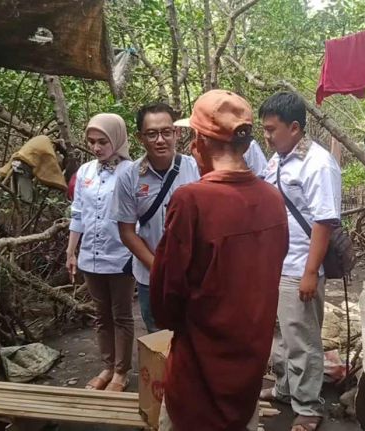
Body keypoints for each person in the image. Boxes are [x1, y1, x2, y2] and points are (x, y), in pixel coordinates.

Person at [150, 89, 289, 431]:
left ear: (199, 142)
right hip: (248, 369)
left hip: (198, 373)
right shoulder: (272, 200)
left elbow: (166, 299)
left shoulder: (191, 201)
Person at [259, 92, 342, 431]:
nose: (266, 136)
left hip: (300, 266)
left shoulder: (318, 163)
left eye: (271, 129)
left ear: (294, 127)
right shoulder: (279, 158)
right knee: (278, 333)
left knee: (302, 339)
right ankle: (284, 388)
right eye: (264, 129)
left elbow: (324, 221)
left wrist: (310, 272)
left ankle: (308, 406)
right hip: (276, 264)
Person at [110, 103, 200, 333]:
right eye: (152, 134)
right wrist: (159, 268)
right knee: (158, 339)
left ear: (176, 133)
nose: (160, 140)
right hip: (151, 277)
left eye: (166, 132)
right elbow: (127, 231)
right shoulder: (129, 177)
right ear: (140, 137)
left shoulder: (196, 169)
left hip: (193, 275)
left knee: (194, 335)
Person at [66, 114, 135, 392]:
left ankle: (121, 372)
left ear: (116, 139)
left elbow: (138, 217)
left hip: (120, 256)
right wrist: (72, 250)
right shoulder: (85, 172)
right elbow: (78, 213)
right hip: (90, 257)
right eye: (92, 141)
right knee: (100, 315)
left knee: (121, 315)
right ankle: (107, 366)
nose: (96, 147)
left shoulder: (132, 171)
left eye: (102, 141)